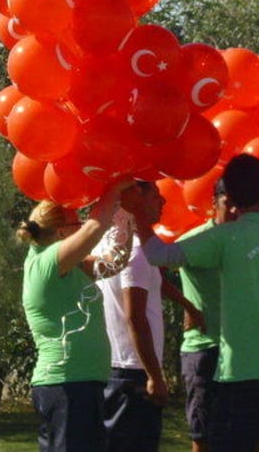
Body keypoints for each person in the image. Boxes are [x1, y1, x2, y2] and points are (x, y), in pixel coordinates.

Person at [131, 154, 259, 451]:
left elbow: (158, 256)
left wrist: (138, 213)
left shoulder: (224, 237)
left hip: (238, 377)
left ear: (231, 197)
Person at [20, 181, 131, 452]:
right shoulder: (45, 263)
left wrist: (124, 215)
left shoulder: (73, 268)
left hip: (81, 385)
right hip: (66, 385)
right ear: (60, 233)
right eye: (75, 224)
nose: (81, 227)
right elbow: (94, 228)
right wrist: (116, 186)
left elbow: (116, 261)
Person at [95, 181, 180, 452]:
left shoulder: (112, 242)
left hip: (116, 367)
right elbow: (135, 316)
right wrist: (155, 375)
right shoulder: (136, 251)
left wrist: (188, 306)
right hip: (133, 372)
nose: (163, 201)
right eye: (156, 195)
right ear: (135, 196)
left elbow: (152, 282)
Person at [177, 183, 236, 452]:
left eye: (241, 205)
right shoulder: (196, 240)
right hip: (202, 349)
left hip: (240, 353)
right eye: (229, 203)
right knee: (203, 436)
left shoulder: (246, 245)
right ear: (214, 203)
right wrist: (187, 305)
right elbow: (150, 267)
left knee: (246, 432)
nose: (235, 211)